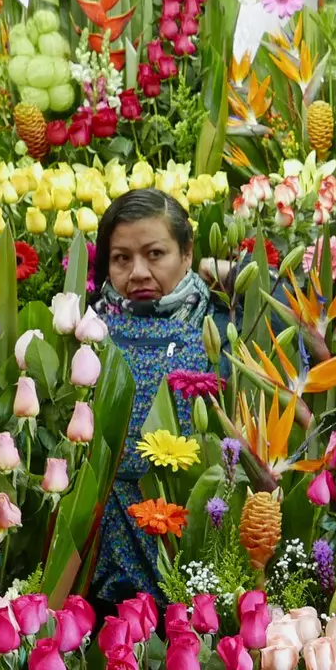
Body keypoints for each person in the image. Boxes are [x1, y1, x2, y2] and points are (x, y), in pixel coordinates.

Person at [88, 187, 230, 603]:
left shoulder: (217, 324)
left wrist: (229, 271)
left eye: (155, 254)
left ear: (186, 254)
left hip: (186, 522)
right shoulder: (87, 330)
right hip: (106, 530)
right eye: (121, 258)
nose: (138, 273)